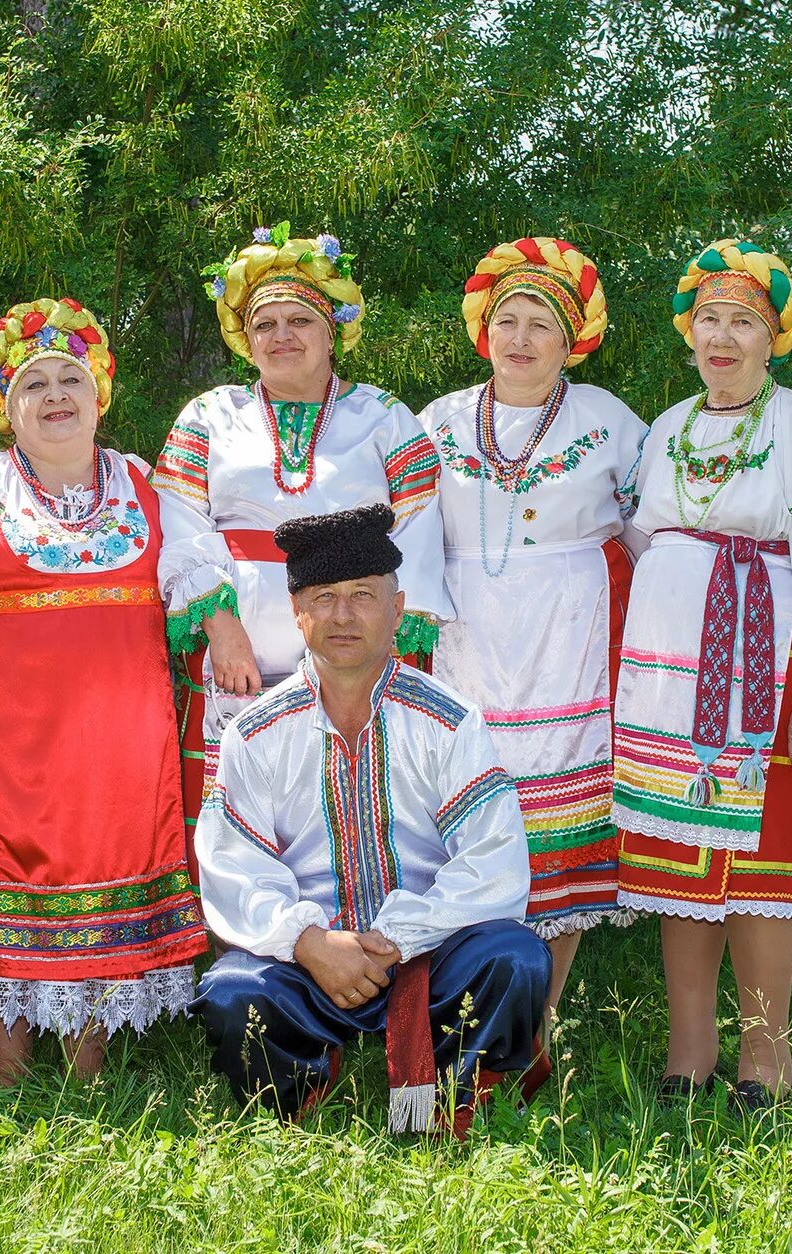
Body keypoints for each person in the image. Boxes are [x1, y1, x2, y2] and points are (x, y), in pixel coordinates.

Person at [0, 298, 208, 1084]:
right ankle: (11, 1078)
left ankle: (86, 1076)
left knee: (105, 888)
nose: (54, 394)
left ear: (100, 393)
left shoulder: (144, 483)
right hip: (1, 740)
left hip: (120, 743)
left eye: (69, 376)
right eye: (32, 384)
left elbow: (200, 578)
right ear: (6, 411)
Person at [611, 238, 792, 1111]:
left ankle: (767, 1060)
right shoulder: (668, 429)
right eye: (709, 320)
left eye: (744, 323)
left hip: (765, 665)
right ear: (689, 335)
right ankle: (689, 1053)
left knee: (760, 869)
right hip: (669, 676)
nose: (722, 338)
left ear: (772, 340)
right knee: (681, 868)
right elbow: (644, 543)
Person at [191, 504, 550, 1137]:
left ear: (398, 607)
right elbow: (233, 865)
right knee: (231, 990)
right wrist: (309, 943)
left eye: (363, 596)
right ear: (296, 611)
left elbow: (492, 859)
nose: (343, 616)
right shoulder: (254, 733)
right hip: (309, 966)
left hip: (431, 958)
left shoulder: (448, 719)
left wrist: (402, 937)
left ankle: (457, 1098)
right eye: (324, 598)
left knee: (516, 958)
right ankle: (299, 1098)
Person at [154, 226, 455, 852]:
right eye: (265, 324)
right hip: (241, 650)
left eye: (300, 321)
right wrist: (219, 624)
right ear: (246, 338)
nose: (281, 336)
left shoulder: (380, 414)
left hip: (352, 637)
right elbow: (180, 518)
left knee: (345, 806)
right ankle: (247, 941)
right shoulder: (211, 414)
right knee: (242, 812)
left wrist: (388, 639)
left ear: (332, 331)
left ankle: (351, 935)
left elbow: (421, 522)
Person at [419, 237, 648, 1029]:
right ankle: (464, 1008)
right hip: (467, 640)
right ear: (484, 332)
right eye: (507, 321)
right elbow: (404, 532)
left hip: (567, 642)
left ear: (570, 340)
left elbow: (660, 531)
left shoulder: (610, 422)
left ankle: (536, 1019)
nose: (520, 339)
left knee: (560, 830)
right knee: (467, 822)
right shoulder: (439, 421)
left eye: (540, 325)